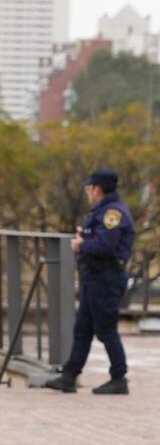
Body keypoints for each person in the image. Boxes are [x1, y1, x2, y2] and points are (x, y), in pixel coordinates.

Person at [44, 169, 134, 395]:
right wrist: (85, 238)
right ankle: (70, 375)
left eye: (89, 188)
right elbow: (100, 239)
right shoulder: (101, 211)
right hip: (94, 276)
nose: (88, 193)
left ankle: (119, 377)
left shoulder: (113, 213)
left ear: (97, 189)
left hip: (106, 277)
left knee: (105, 329)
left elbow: (106, 246)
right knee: (82, 328)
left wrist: (81, 245)